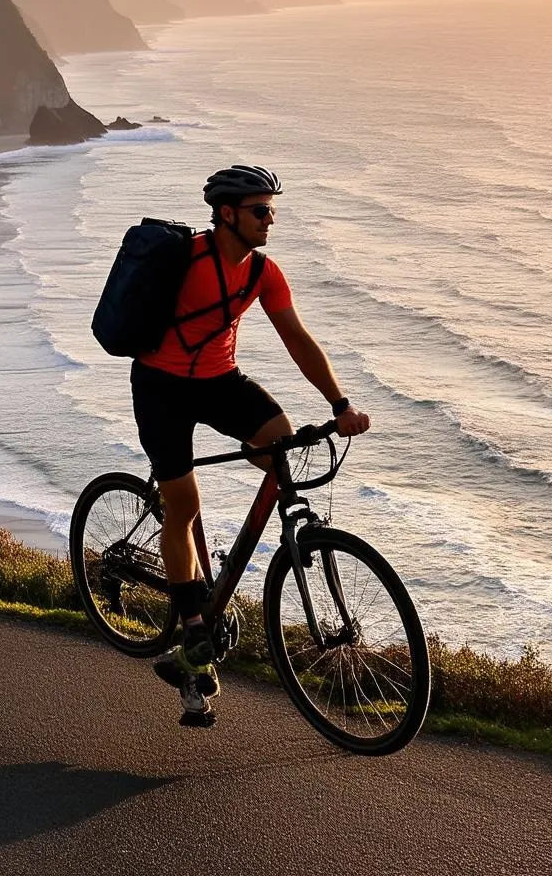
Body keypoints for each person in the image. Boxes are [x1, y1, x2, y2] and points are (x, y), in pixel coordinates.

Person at [131, 164, 371, 724]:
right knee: (184, 506)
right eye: (261, 211)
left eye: (273, 211)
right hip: (161, 386)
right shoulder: (184, 258)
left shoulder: (263, 272)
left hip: (219, 383)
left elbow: (297, 338)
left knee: (281, 447)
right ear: (227, 213)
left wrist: (339, 405)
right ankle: (194, 625)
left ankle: (226, 575)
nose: (270, 220)